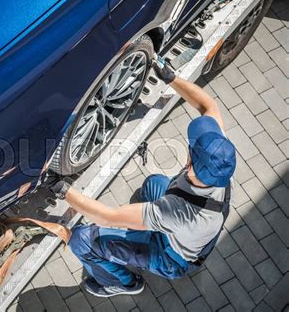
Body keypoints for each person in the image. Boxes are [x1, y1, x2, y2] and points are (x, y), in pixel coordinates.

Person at [50, 58, 237, 297]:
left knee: (82, 240)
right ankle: (145, 236)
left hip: (171, 257)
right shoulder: (222, 158)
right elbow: (207, 107)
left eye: (192, 147)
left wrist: (60, 188)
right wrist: (171, 78)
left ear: (190, 165)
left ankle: (123, 283)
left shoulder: (176, 212)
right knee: (154, 184)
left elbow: (108, 217)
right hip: (194, 232)